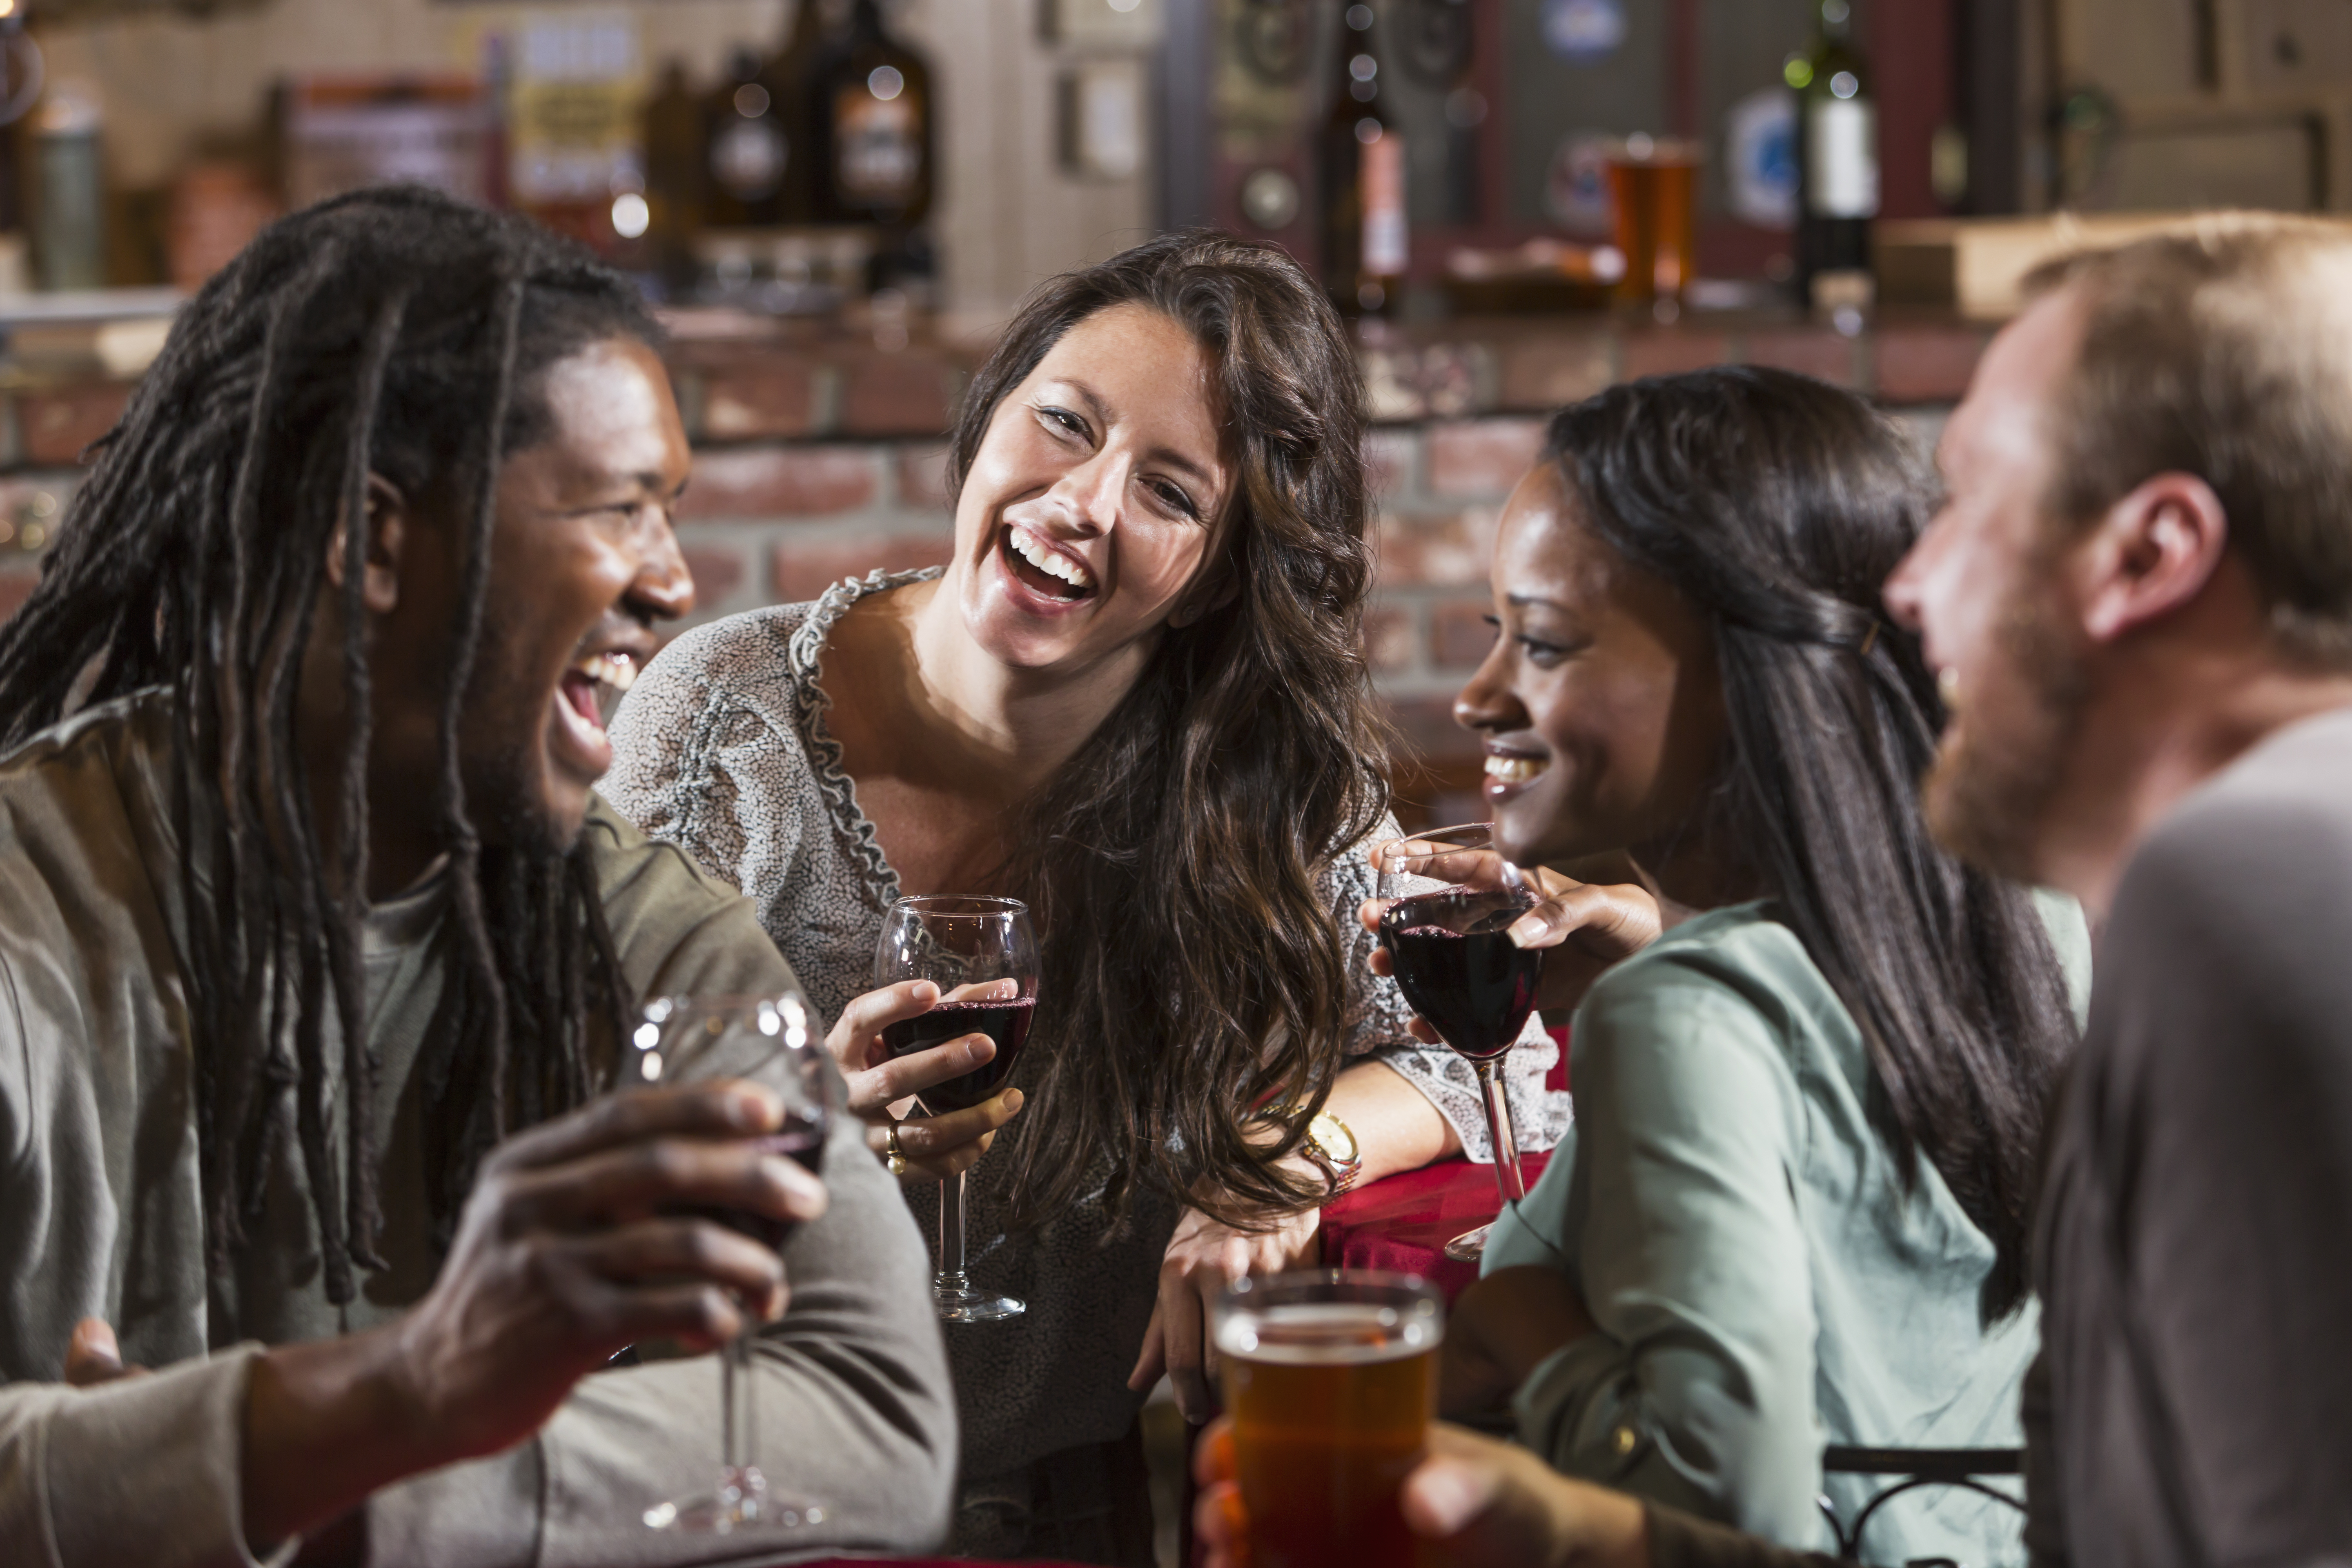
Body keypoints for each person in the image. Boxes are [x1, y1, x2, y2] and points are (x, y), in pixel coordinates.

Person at [1209, 213, 2352, 1568]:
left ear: (2156, 552)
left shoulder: (2243, 893)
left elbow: (1724, 1484)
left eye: (1975, 503)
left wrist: (1532, 1353)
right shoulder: (2048, 917)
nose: (1902, 593)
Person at [0, 187, 957, 1566]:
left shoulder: (650, 934)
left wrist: (297, 1470)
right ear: (374, 539)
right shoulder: (34, 918)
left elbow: (878, 1424)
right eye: (623, 510)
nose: (673, 583)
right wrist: (420, 1386)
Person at [603, 230, 1566, 1559]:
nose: (1081, 503)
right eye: (1064, 423)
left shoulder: (1264, 778)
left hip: (1069, 1524)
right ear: (989, 416)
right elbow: (559, 1135)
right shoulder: (719, 722)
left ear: (1219, 576)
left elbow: (1479, 1056)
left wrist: (1275, 1170)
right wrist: (797, 1139)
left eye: (1169, 492)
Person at [1390, 366, 2085, 1562]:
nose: (1478, 695)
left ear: (1747, 677)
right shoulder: (2031, 909)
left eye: (1543, 643)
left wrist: (1530, 1330)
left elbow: (1724, 1508)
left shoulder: (1684, 1020)